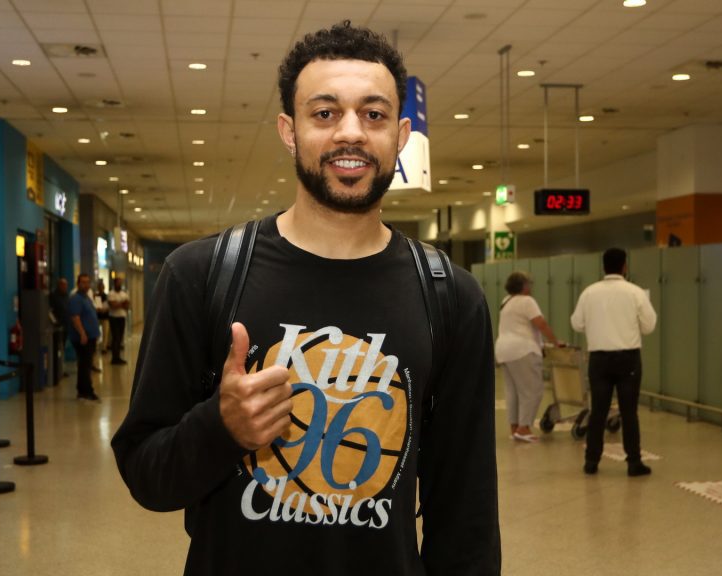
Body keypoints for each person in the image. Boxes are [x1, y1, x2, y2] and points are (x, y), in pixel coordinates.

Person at [112, 22, 500, 575]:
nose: (351, 133)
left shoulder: (450, 297)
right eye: (325, 113)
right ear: (289, 131)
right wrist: (219, 428)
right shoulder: (199, 275)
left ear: (401, 136)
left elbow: (467, 512)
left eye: (374, 114)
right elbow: (145, 475)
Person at [571, 248, 657, 477]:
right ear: (624, 266)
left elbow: (576, 323)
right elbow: (649, 326)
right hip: (628, 359)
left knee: (598, 411)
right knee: (629, 412)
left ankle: (591, 461)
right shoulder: (635, 292)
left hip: (599, 359)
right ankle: (634, 462)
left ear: (603, 266)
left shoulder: (589, 292)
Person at [495, 271, 559, 442]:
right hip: (523, 350)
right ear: (524, 286)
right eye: (529, 283)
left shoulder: (506, 301)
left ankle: (515, 427)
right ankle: (524, 428)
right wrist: (555, 342)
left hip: (504, 350)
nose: (530, 287)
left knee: (513, 392)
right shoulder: (527, 301)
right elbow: (540, 324)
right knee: (533, 390)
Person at [68, 273, 100, 402]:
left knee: (85, 364)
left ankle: (82, 390)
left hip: (91, 337)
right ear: (78, 283)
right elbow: (75, 318)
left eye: (87, 282)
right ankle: (87, 391)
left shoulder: (86, 298)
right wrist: (82, 333)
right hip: (83, 338)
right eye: (83, 282)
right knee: (85, 365)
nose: (86, 285)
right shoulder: (76, 299)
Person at [49, 278, 70, 378]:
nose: (65, 287)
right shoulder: (54, 296)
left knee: (62, 348)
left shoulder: (66, 296)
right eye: (63, 285)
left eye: (66, 285)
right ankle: (56, 370)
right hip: (57, 328)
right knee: (57, 349)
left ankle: (61, 369)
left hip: (65, 326)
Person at [106, 276, 129, 365]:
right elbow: (113, 306)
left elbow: (127, 305)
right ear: (114, 283)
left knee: (120, 338)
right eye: (118, 282)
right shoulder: (111, 294)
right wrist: (122, 303)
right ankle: (114, 357)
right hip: (114, 318)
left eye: (120, 282)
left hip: (122, 317)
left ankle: (118, 357)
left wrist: (118, 304)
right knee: (115, 338)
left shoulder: (124, 294)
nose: (119, 284)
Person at [94, 279, 111, 355]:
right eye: (99, 287)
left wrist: (104, 309)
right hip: (97, 317)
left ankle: (104, 347)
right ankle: (95, 346)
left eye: (102, 287)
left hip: (105, 317)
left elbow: (108, 306)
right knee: (97, 333)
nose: (101, 288)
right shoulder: (96, 296)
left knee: (105, 333)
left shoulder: (106, 296)